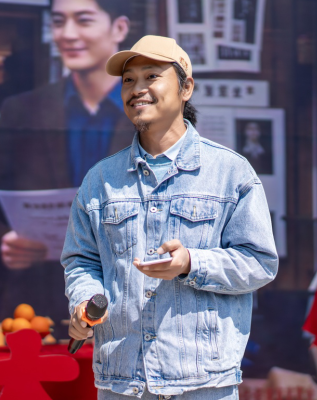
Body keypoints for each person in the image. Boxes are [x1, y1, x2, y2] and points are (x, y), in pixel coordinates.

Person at [62, 35, 278, 399]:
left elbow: (259, 262)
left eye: (151, 76)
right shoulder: (100, 180)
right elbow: (81, 260)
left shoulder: (230, 172)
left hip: (204, 384)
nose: (137, 89)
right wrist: (85, 301)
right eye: (128, 80)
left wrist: (191, 262)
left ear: (186, 88)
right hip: (122, 383)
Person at [0, 0, 133, 322]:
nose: (67, 34)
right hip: (38, 310)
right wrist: (5, 242)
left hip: (130, 308)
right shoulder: (22, 111)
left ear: (119, 28)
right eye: (58, 22)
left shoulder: (155, 115)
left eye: (83, 20)